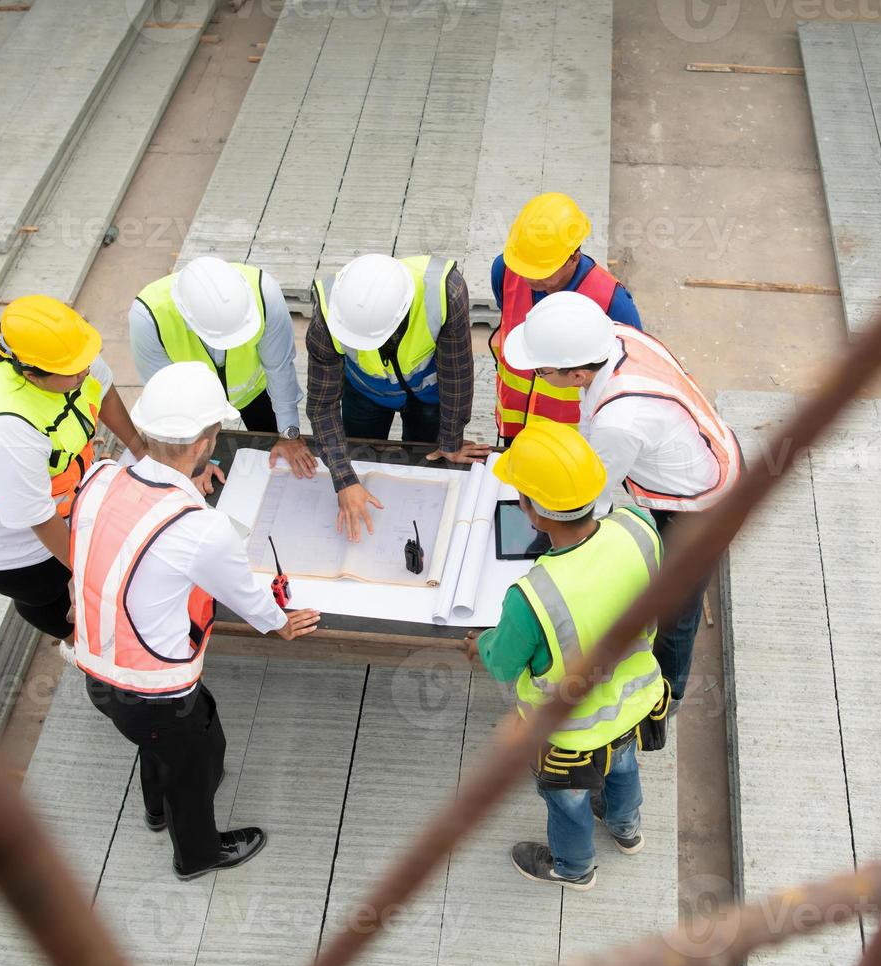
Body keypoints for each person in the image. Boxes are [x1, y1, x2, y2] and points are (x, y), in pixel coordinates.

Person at [70, 361, 321, 881]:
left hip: (98, 670)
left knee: (166, 742)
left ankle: (156, 809)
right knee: (191, 759)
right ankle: (198, 855)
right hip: (154, 687)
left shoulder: (98, 479)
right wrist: (281, 623)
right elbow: (248, 597)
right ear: (206, 442)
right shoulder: (202, 529)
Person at [498, 291, 743, 711]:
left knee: (674, 609)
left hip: (703, 506)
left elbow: (591, 499)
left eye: (542, 371)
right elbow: (589, 438)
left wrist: (556, 549)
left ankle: (664, 698)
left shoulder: (620, 420)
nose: (539, 376)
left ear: (575, 374)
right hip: (704, 460)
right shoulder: (612, 337)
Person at [468, 418, 668, 891]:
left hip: (571, 734)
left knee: (570, 801)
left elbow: (500, 663)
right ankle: (626, 830)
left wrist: (478, 641)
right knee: (623, 765)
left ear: (531, 511)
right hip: (637, 703)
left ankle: (574, 868)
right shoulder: (639, 527)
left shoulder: (532, 595)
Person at [0, 295, 145, 640]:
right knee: (46, 592)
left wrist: (141, 450)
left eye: (85, 363)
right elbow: (38, 517)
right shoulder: (8, 431)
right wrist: (88, 572)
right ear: (31, 375)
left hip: (38, 505)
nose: (85, 372)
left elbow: (105, 393)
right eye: (74, 372)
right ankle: (78, 647)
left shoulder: (70, 357)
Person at [307, 252, 491, 541]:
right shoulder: (330, 311)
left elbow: (457, 372)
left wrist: (450, 439)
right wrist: (343, 479)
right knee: (360, 456)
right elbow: (322, 404)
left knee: (426, 463)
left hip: (428, 397)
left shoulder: (445, 291)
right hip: (365, 392)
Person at [130, 256, 316, 487]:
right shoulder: (149, 318)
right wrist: (195, 464)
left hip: (255, 391)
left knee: (270, 453)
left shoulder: (264, 294)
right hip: (193, 406)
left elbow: (279, 369)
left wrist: (289, 434)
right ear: (189, 319)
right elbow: (168, 398)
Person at [489, 192, 643, 441]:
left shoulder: (611, 301)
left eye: (542, 272)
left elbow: (629, 372)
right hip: (514, 422)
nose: (530, 279)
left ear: (574, 257)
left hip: (569, 435)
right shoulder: (505, 270)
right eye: (526, 269)